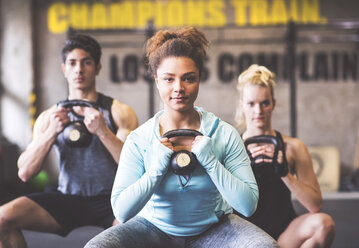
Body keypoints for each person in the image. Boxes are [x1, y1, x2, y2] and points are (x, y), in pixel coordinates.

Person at [85, 27, 278, 248]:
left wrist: (211, 162)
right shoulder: (140, 139)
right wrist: (156, 169)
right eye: (169, 79)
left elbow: (247, 206)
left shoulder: (223, 134)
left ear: (199, 79)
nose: (179, 88)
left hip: (213, 229)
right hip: (153, 229)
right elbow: (121, 211)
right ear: (156, 80)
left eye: (188, 78)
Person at [0, 34, 138, 247]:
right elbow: (25, 173)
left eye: (86, 62)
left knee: (133, 232)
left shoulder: (118, 112)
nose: (79, 70)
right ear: (64, 69)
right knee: (2, 219)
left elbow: (134, 167)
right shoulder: (50, 117)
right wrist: (51, 132)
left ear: (98, 68)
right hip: (67, 199)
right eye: (72, 63)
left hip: (111, 200)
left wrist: (103, 131)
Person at [234, 64, 336, 247]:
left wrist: (285, 173)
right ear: (242, 106)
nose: (258, 111)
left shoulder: (293, 147)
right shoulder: (232, 148)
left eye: (264, 103)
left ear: (273, 103)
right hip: (246, 234)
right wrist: (241, 167)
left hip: (285, 233)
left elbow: (315, 206)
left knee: (324, 224)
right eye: (251, 104)